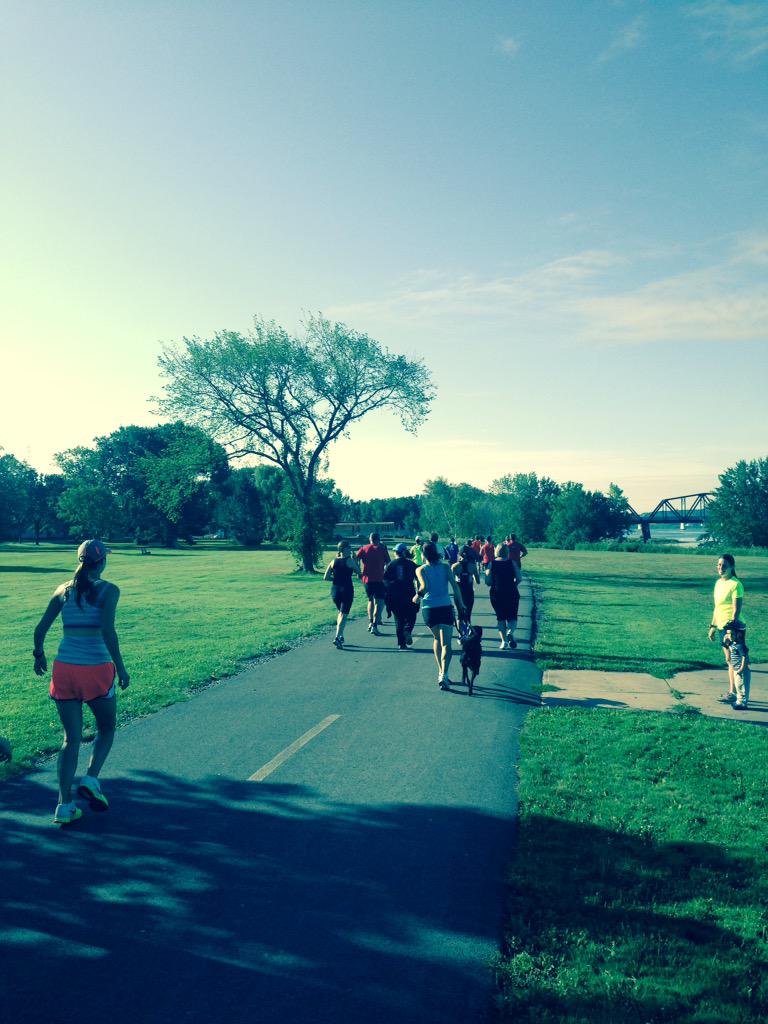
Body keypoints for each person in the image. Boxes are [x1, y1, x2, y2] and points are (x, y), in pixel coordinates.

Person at [32, 539, 130, 824]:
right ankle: (91, 779)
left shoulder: (63, 590)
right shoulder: (109, 590)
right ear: (102, 562)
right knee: (107, 727)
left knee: (70, 739)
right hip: (96, 669)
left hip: (64, 670)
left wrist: (39, 655)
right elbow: (108, 632)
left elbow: (40, 630)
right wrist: (121, 668)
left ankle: (64, 806)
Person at [414, 542, 465, 690]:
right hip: (445, 607)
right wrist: (461, 603)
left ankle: (440, 672)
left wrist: (416, 597)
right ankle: (445, 674)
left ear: (423, 554)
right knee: (446, 643)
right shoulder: (445, 567)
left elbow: (424, 587)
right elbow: (455, 586)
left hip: (429, 609)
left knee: (437, 639)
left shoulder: (420, 569)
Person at [708, 553, 744, 702]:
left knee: (736, 661)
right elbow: (717, 607)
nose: (720, 568)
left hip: (733, 628)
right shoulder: (718, 583)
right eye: (719, 565)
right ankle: (734, 692)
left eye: (724, 566)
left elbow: (736, 611)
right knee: (729, 659)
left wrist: (730, 631)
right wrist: (713, 626)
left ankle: (736, 693)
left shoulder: (736, 584)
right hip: (721, 626)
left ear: (731, 567)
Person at [485, 543, 522, 649]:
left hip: (496, 594)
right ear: (507, 552)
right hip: (511, 592)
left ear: (496, 551)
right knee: (512, 616)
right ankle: (510, 632)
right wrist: (514, 584)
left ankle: (504, 642)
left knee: (500, 618)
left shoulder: (491, 564)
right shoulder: (512, 563)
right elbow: (519, 578)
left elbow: (488, 581)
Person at [383, 543, 419, 649]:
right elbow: (419, 579)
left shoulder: (390, 564)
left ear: (396, 553)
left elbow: (385, 581)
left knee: (399, 619)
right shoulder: (411, 564)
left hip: (394, 595)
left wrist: (387, 597)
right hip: (409, 594)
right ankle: (407, 630)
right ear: (404, 552)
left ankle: (401, 643)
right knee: (412, 615)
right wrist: (419, 593)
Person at [323, 541, 358, 649]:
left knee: (340, 613)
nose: (350, 549)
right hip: (347, 590)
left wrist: (336, 579)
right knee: (343, 614)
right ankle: (337, 637)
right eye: (349, 547)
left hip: (335, 591)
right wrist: (355, 559)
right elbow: (358, 571)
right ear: (344, 549)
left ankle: (341, 635)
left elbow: (326, 577)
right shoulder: (350, 561)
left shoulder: (333, 561)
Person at [356, 532, 391, 635]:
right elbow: (388, 562)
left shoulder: (363, 548)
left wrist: (358, 571)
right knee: (379, 602)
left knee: (370, 600)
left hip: (367, 579)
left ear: (370, 539)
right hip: (379, 579)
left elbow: (356, 559)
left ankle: (370, 622)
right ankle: (375, 625)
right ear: (378, 539)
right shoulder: (382, 548)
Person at [722, 620, 751, 711]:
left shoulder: (740, 645)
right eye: (728, 634)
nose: (729, 636)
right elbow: (726, 646)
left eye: (732, 634)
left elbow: (744, 657)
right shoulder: (732, 643)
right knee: (738, 686)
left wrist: (742, 669)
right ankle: (739, 701)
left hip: (741, 670)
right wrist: (725, 642)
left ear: (737, 634)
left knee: (742, 686)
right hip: (736, 669)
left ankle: (742, 703)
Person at [452, 545, 480, 628]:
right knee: (468, 614)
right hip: (469, 592)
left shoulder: (455, 566)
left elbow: (452, 581)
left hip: (458, 593)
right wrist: (471, 575)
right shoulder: (473, 566)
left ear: (459, 555)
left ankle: (461, 633)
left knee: (460, 615)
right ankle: (468, 631)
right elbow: (478, 581)